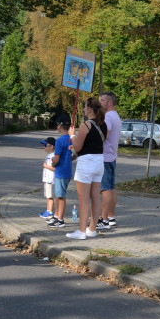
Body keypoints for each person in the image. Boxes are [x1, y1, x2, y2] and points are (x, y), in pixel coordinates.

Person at [66, 98, 107, 240]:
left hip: (86, 163)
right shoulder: (104, 125)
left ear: (89, 109)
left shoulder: (85, 125)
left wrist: (72, 135)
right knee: (95, 197)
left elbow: (78, 147)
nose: (83, 110)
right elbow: (93, 144)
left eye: (84, 107)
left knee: (83, 198)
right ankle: (92, 229)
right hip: (99, 162)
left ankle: (81, 231)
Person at [46, 117, 74, 229]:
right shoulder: (71, 139)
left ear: (60, 126)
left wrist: (52, 163)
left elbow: (56, 159)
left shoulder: (59, 141)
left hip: (61, 172)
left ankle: (60, 220)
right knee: (58, 195)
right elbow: (74, 155)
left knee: (60, 196)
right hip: (67, 171)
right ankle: (57, 215)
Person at [99, 91, 122, 230]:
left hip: (105, 157)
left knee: (105, 189)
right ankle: (111, 217)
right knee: (112, 188)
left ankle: (104, 219)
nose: (100, 102)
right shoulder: (116, 116)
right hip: (112, 156)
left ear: (110, 103)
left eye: (102, 100)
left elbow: (104, 137)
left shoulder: (108, 117)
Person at [38, 137, 56, 219]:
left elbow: (54, 168)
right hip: (47, 179)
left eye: (46, 145)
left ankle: (50, 211)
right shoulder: (48, 155)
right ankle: (48, 210)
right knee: (48, 196)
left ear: (51, 146)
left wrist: (46, 166)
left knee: (50, 196)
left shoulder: (53, 156)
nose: (44, 147)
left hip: (50, 179)